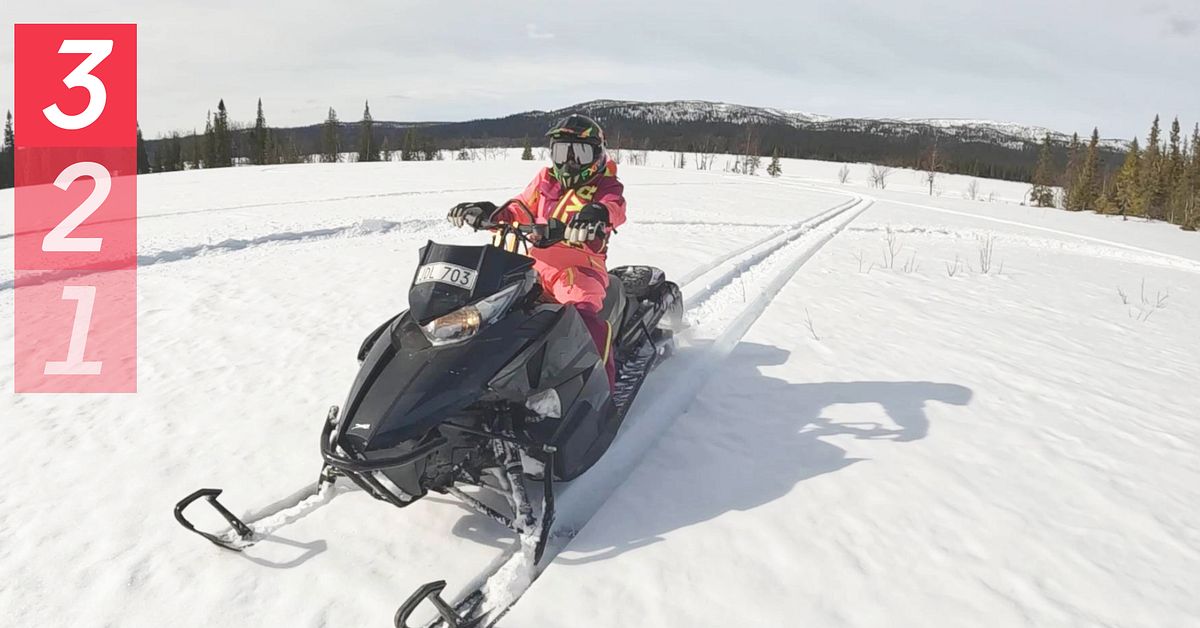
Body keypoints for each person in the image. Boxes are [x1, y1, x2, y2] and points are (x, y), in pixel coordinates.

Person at [447, 114, 626, 388]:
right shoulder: (545, 179)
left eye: (579, 152)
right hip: (532, 266)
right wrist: (490, 213)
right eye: (562, 151)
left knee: (582, 320)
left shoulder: (605, 184)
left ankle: (601, 389)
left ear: (597, 154)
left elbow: (614, 206)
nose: (569, 161)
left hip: (578, 270)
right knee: (489, 309)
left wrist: (596, 213)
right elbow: (520, 207)